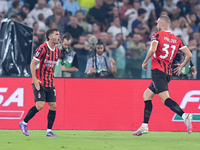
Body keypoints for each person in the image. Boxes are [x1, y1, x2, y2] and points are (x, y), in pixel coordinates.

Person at [133, 15, 193, 136]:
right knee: (146, 96)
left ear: (161, 23)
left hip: (158, 71)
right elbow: (190, 55)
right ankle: (144, 126)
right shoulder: (177, 39)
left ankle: (184, 115)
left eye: (157, 24)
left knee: (165, 99)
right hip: (167, 73)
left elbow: (153, 49)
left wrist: (145, 62)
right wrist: (182, 65)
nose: (156, 26)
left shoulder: (157, 35)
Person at [19, 28, 61, 137]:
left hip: (50, 83)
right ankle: (24, 123)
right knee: (40, 105)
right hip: (40, 81)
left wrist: (52, 79)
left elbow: (52, 66)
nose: (58, 36)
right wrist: (35, 79)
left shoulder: (57, 51)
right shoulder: (42, 49)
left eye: (59, 34)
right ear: (50, 37)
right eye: (56, 34)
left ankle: (49, 131)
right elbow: (33, 64)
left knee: (53, 105)